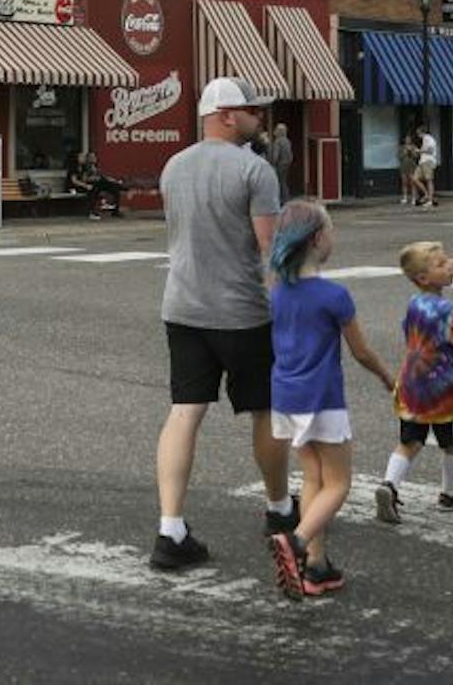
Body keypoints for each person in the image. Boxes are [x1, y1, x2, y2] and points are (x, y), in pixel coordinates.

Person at [151, 78, 290, 571]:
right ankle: (278, 509)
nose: (260, 118)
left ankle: (170, 528)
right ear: (228, 115)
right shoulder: (256, 170)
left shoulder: (173, 166)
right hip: (243, 313)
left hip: (182, 307)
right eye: (252, 110)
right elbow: (270, 250)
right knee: (266, 410)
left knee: (185, 410)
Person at [265, 202, 398, 600]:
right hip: (322, 397)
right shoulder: (334, 295)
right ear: (318, 239)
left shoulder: (277, 291)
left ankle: (316, 567)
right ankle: (298, 541)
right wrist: (388, 377)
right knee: (339, 483)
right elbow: (361, 351)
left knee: (313, 478)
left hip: (286, 395)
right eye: (331, 230)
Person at [374, 241, 453, 525]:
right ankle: (450, 494)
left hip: (411, 385)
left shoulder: (414, 304)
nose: (451, 266)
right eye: (442, 264)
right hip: (442, 390)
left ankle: (389, 485)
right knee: (451, 443)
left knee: (410, 442)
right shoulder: (449, 310)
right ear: (423, 278)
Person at [69, 149, 123, 220]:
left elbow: (99, 176)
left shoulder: (88, 167)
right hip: (77, 187)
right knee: (94, 189)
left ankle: (115, 210)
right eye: (82, 157)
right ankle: (92, 212)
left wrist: (113, 180)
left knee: (114, 187)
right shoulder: (76, 167)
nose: (84, 158)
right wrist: (87, 184)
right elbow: (76, 181)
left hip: (93, 184)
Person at [266, 120, 294, 200]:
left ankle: (281, 199)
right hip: (286, 164)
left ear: (279, 132)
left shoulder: (278, 142)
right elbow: (290, 155)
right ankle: (286, 198)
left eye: (276, 130)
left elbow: (275, 156)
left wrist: (271, 163)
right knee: (284, 182)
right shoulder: (287, 141)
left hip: (280, 165)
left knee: (279, 183)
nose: (274, 131)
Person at [415, 126, 440, 208]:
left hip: (428, 161)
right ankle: (426, 194)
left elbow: (430, 150)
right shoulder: (424, 140)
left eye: (418, 133)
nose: (418, 135)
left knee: (429, 180)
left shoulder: (428, 138)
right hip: (422, 161)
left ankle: (430, 200)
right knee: (416, 178)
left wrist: (419, 151)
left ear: (422, 132)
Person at [398, 132, 420, 205]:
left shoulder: (414, 147)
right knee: (404, 182)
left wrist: (412, 152)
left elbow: (416, 157)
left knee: (412, 183)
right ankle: (405, 198)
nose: (408, 140)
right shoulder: (401, 147)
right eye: (406, 139)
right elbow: (399, 157)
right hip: (404, 166)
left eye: (409, 139)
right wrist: (404, 152)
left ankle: (413, 198)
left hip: (412, 166)